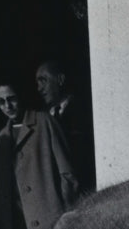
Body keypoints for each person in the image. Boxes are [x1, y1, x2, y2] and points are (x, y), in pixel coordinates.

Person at [0, 77, 79, 229]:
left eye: (11, 99)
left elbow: (67, 175)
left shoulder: (43, 122)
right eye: (1, 102)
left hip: (51, 224)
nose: (7, 107)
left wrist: (67, 221)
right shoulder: (3, 136)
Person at [35, 59, 96, 192]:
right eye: (37, 83)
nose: (39, 88)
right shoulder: (41, 118)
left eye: (43, 80)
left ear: (60, 80)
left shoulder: (86, 110)